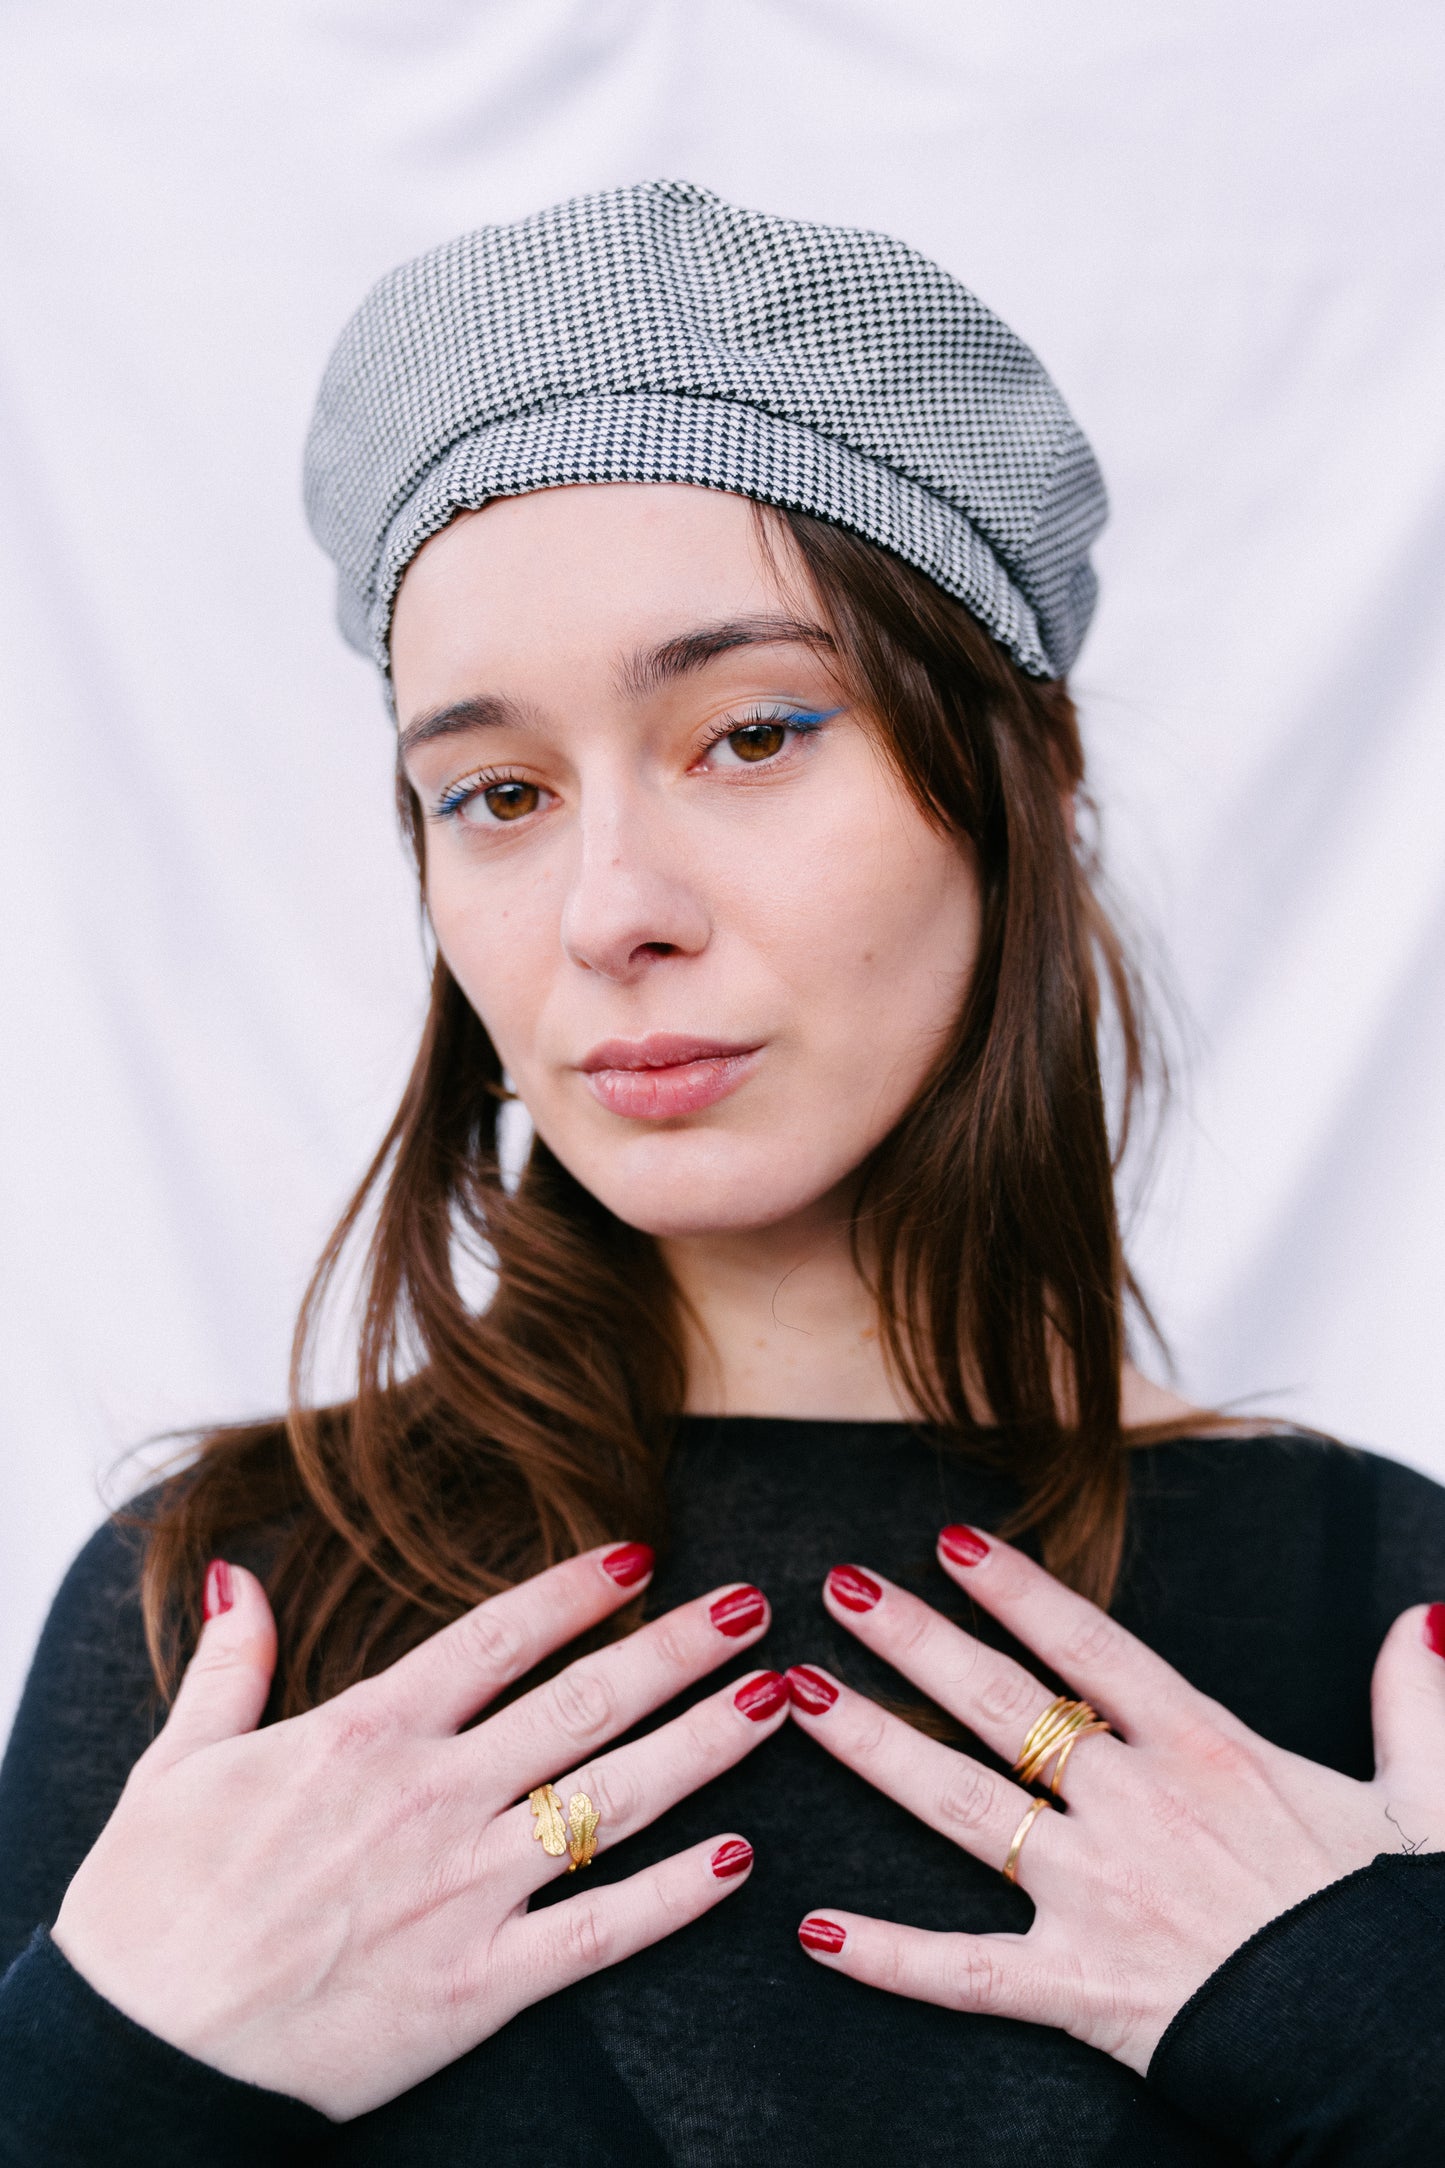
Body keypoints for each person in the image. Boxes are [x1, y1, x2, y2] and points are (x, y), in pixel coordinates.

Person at [1, 179, 1443, 2168]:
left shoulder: (1372, 1605)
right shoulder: (226, 1610)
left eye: (752, 733)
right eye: (495, 793)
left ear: (1025, 768)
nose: (611, 908)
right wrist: (96, 2078)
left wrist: (1367, 2024)